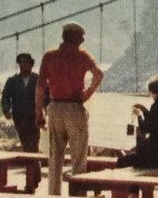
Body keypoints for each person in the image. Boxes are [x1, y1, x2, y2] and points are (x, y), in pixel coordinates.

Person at [36, 22, 104, 196]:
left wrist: (39, 112)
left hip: (55, 107)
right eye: (81, 36)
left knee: (54, 159)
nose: (83, 40)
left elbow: (40, 87)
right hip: (75, 107)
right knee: (79, 159)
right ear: (74, 37)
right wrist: (87, 93)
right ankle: (78, 195)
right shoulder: (82, 56)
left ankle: (54, 194)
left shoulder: (49, 56)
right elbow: (99, 74)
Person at [116, 75, 158, 169]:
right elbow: (156, 121)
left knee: (122, 161)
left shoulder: (156, 106)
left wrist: (139, 115)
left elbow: (146, 128)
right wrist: (144, 110)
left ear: (154, 92)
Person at [1, 53, 42, 190]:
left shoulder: (38, 79)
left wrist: (45, 112)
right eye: (21, 62)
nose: (23, 65)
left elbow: (47, 96)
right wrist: (6, 110)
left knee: (33, 147)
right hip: (19, 118)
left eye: (26, 62)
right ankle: (35, 174)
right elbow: (5, 97)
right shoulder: (12, 81)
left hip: (34, 118)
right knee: (26, 147)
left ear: (31, 64)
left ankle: (30, 181)